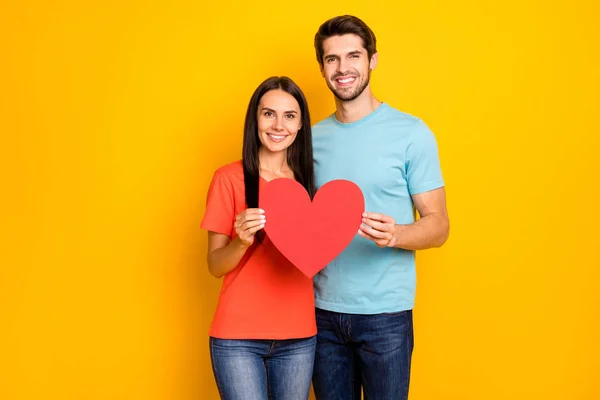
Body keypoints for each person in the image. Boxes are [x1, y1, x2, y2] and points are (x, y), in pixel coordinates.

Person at [310, 15, 450, 400]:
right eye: (332, 59)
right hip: (320, 314)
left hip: (386, 316)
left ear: (372, 60)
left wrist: (398, 234)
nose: (343, 68)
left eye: (353, 56)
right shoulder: (308, 139)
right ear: (322, 67)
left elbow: (439, 225)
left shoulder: (411, 133)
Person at [201, 76, 317, 400]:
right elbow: (214, 265)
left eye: (289, 116)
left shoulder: (310, 182)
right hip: (237, 339)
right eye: (269, 114)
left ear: (300, 126)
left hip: (299, 337)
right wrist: (240, 241)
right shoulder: (228, 179)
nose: (278, 124)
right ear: (255, 120)